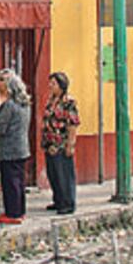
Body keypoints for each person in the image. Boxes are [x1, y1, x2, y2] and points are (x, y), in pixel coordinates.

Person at [0, 68, 31, 225]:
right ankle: (20, 211)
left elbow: (0, 128)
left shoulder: (8, 105)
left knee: (10, 182)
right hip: (21, 147)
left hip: (9, 149)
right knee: (19, 182)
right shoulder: (25, 104)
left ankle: (12, 213)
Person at [42, 71, 79, 214]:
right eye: (50, 83)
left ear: (61, 85)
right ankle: (58, 200)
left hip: (61, 143)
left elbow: (72, 124)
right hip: (49, 143)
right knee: (53, 173)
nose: (50, 86)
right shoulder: (51, 101)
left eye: (53, 83)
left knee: (64, 173)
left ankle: (68, 203)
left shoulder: (68, 103)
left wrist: (70, 144)